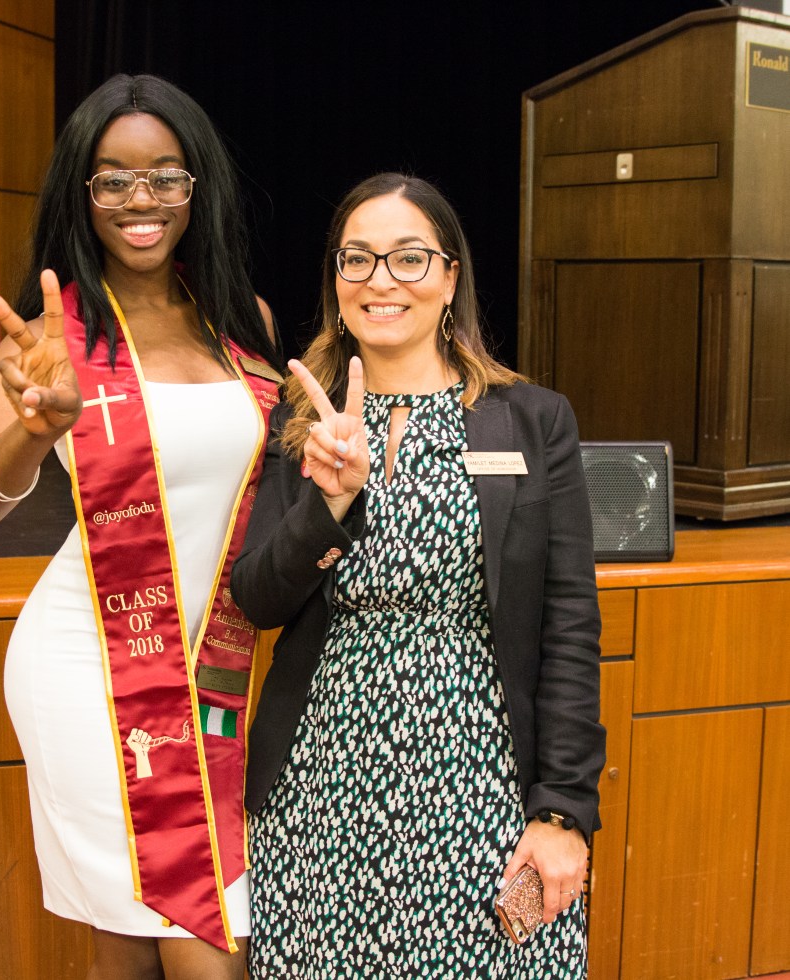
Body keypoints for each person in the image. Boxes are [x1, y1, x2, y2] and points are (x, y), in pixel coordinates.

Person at [231, 173, 604, 978]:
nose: (382, 280)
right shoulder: (302, 419)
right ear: (336, 281)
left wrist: (564, 812)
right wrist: (329, 505)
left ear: (450, 277)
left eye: (408, 257)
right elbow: (256, 599)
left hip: (484, 782)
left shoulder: (532, 421)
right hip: (324, 783)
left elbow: (570, 625)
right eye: (357, 259)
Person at [0, 74, 282, 980]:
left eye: (165, 176)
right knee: (204, 943)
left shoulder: (241, 322)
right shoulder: (46, 342)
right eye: (114, 180)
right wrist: (33, 432)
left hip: (211, 669)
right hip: (88, 668)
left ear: (196, 187)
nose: (142, 200)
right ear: (82, 191)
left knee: (129, 947)